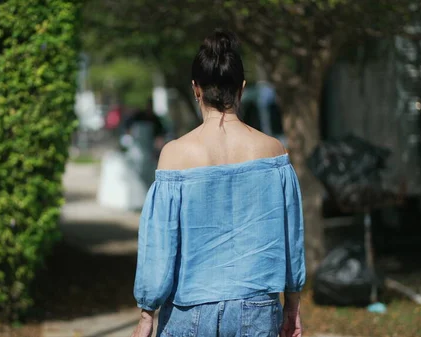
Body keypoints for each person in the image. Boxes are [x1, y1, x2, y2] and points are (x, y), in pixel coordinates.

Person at [131, 29, 305, 337]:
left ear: (196, 89)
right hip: (258, 310)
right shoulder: (273, 151)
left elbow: (158, 246)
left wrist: (147, 312)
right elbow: (291, 238)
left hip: (189, 310)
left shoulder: (174, 155)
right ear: (241, 89)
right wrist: (292, 307)